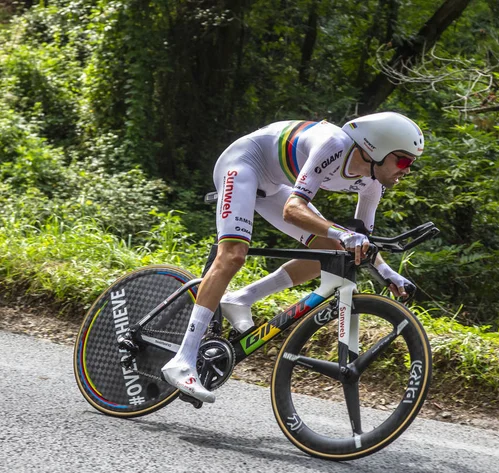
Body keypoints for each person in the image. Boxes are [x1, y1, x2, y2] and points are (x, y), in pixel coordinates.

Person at [161, 111, 424, 403]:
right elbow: (293, 210)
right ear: (377, 147)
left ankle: (241, 298)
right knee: (233, 255)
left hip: (275, 185)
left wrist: (389, 274)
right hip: (244, 163)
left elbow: (359, 242)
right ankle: (182, 359)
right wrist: (344, 234)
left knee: (336, 250)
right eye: (403, 161)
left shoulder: (373, 183)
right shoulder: (333, 145)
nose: (407, 169)